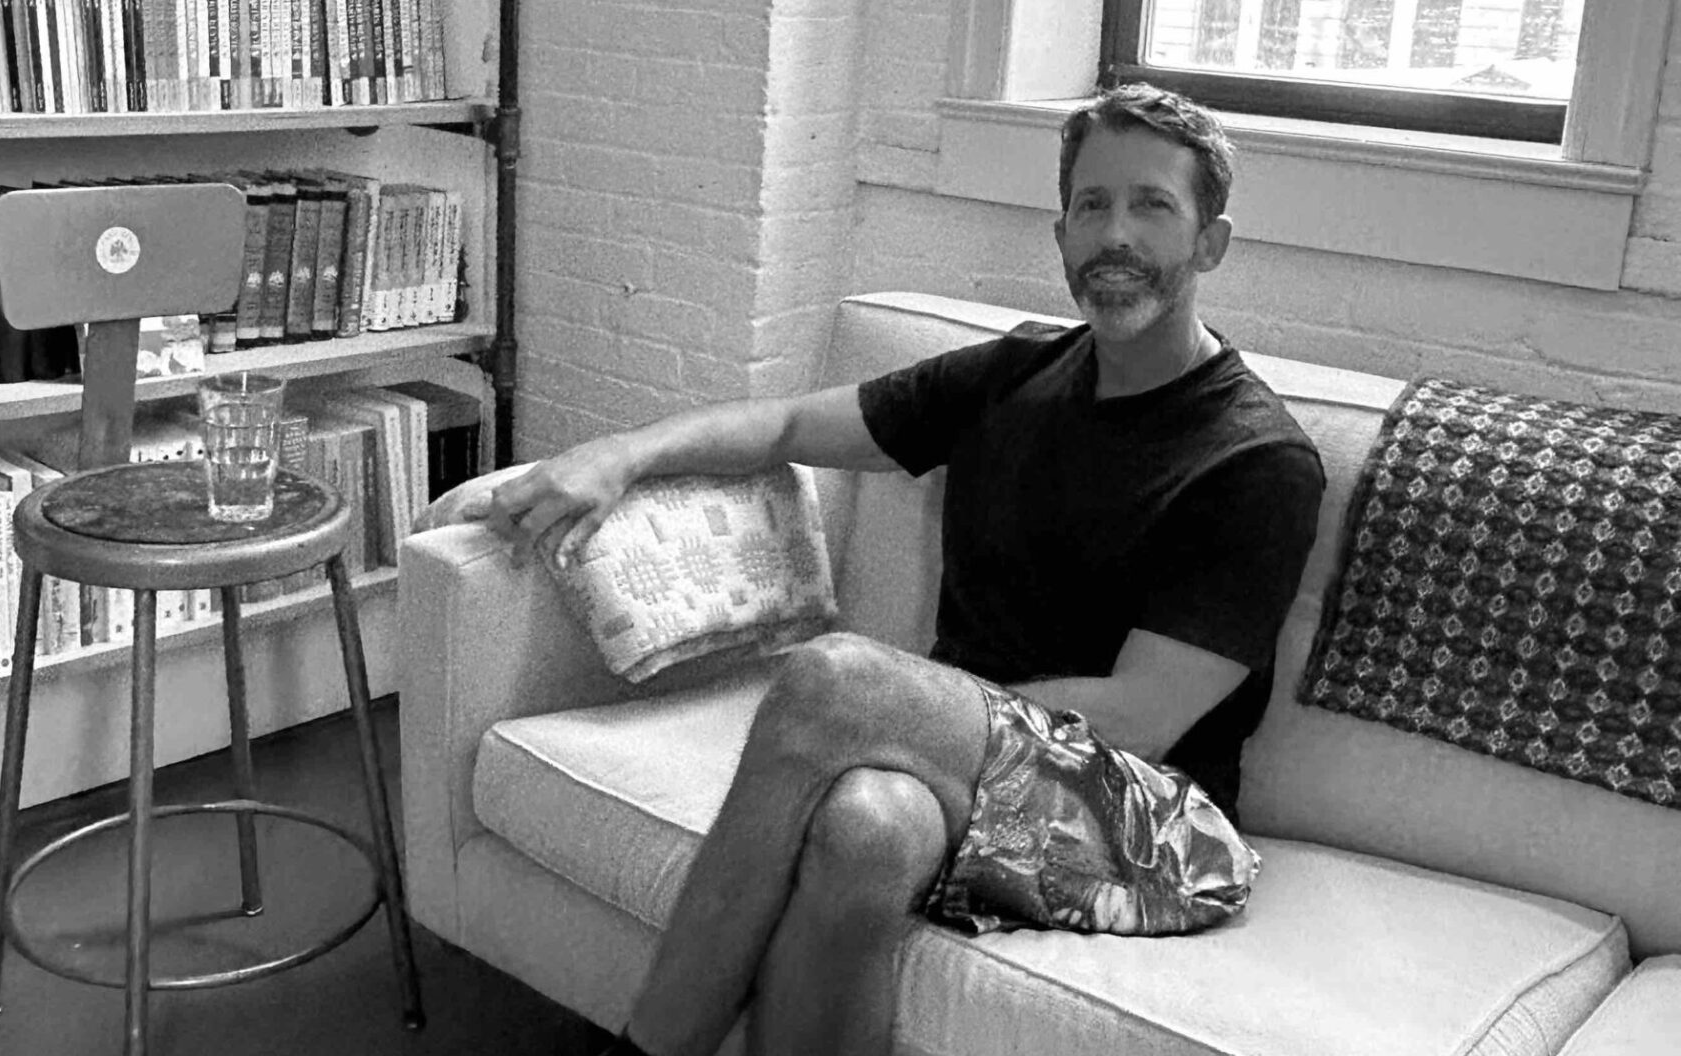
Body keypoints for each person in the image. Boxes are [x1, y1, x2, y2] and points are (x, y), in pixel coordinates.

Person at [484, 83, 1326, 1056]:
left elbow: (1141, 717)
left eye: (1152, 206)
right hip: (987, 772)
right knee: (865, 827)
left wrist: (898, 709)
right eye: (1091, 206)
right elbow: (792, 425)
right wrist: (619, 455)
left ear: (1209, 243)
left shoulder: (1254, 460)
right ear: (1059, 235)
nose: (1115, 235)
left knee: (835, 680)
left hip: (1158, 826)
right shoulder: (1018, 375)